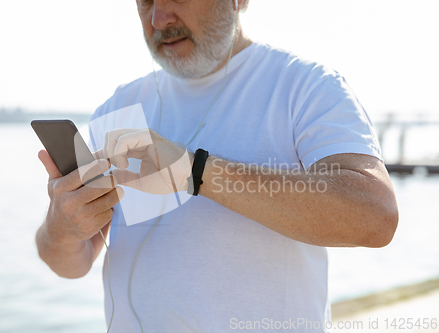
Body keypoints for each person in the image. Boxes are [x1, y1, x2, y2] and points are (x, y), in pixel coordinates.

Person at [36, 0, 399, 332]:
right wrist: (62, 226)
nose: (158, 18)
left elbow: (375, 217)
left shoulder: (307, 86)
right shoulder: (119, 106)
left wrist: (193, 171)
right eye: (144, 0)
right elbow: (72, 264)